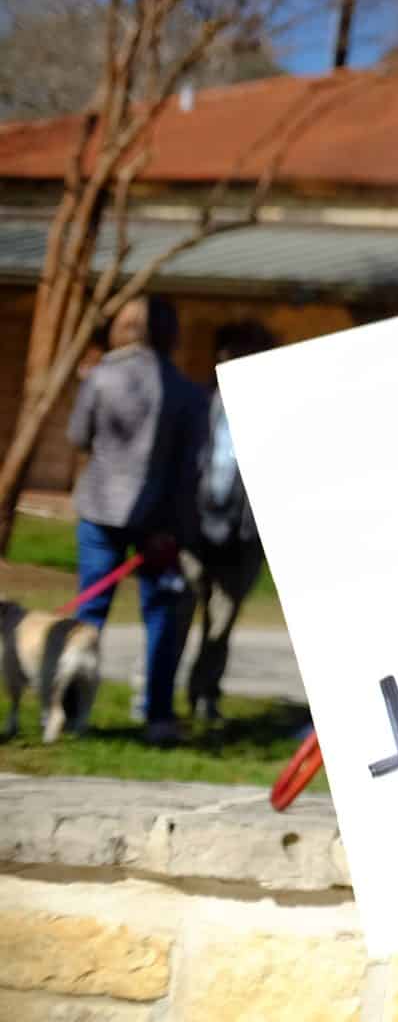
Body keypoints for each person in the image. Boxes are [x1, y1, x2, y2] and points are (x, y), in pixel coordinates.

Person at [66, 295, 209, 746]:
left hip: (100, 509)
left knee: (88, 615)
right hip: (159, 524)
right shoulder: (187, 392)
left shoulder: (101, 377)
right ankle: (158, 717)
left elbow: (77, 436)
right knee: (162, 620)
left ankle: (70, 714)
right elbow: (191, 470)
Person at [182, 320, 273, 726]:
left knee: (222, 618)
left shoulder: (271, 415)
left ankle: (204, 693)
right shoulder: (197, 405)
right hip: (196, 527)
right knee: (180, 612)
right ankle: (157, 698)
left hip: (243, 534)